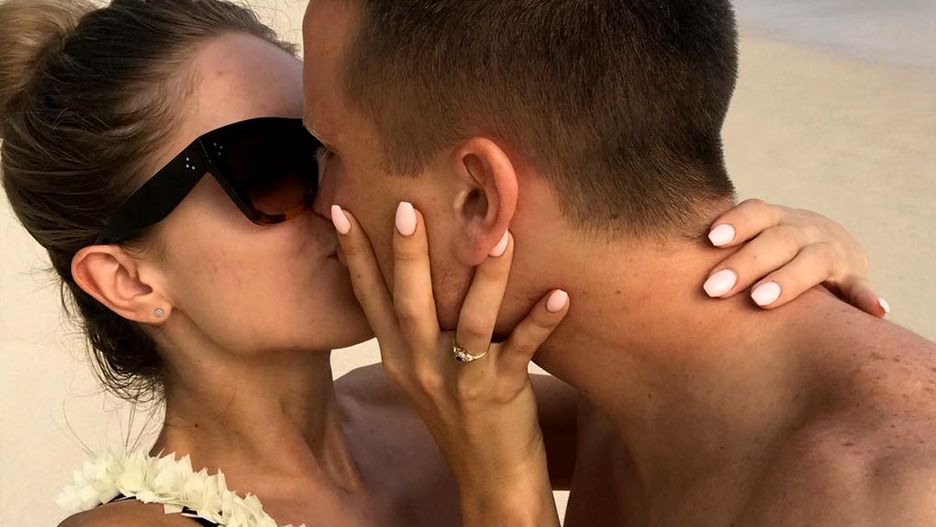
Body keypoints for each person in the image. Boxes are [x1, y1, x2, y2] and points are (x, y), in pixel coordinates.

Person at [0, 0, 885, 525]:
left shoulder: (433, 403)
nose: (336, 195)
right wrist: (502, 490)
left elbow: (701, 394)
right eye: (269, 168)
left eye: (329, 143)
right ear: (129, 280)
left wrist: (790, 264)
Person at [303, 0, 936, 525]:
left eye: (329, 150)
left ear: (479, 200)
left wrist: (505, 498)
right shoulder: (624, 404)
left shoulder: (892, 502)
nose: (312, 199)